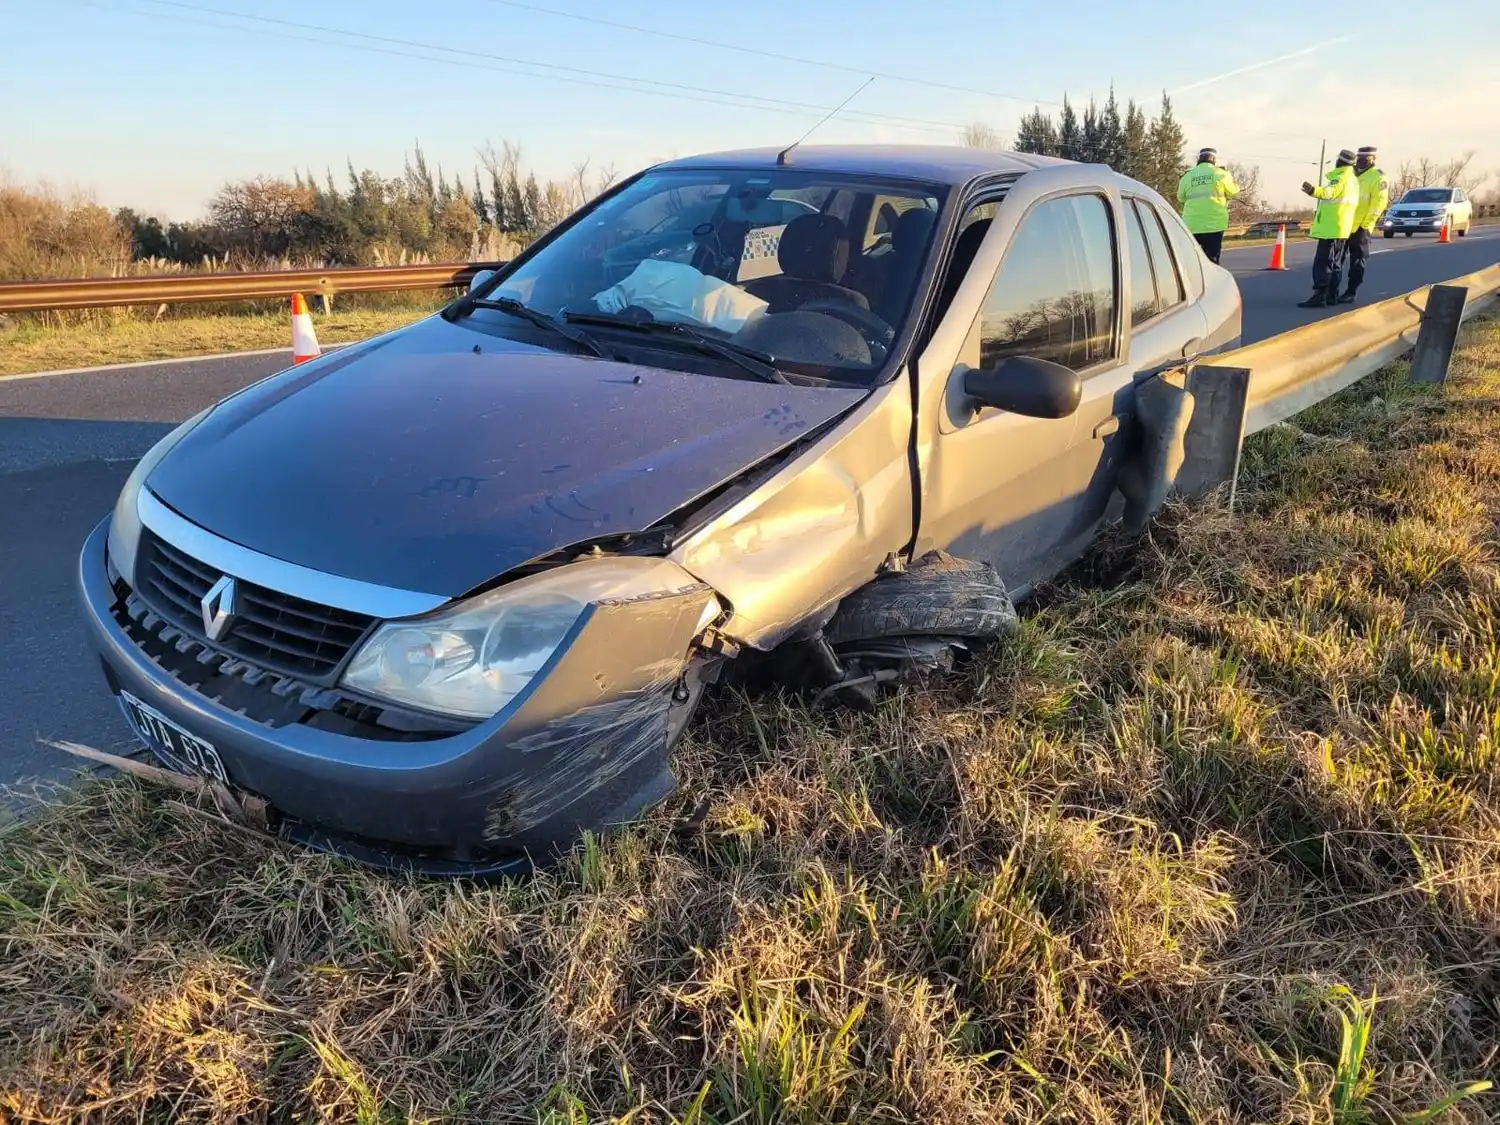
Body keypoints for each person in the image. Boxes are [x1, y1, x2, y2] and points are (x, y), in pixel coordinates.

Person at [1298, 149, 1361, 308]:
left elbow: (1328, 193)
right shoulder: (1354, 180)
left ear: (1340, 161)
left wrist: (1313, 191)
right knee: (1336, 262)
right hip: (1342, 228)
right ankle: (1333, 294)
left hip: (1331, 228)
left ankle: (1320, 295)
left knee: (1323, 262)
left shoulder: (1340, 178)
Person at [1338, 146, 1390, 304]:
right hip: (1343, 223)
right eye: (1358, 159)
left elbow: (1378, 204)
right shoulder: (1350, 174)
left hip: (1360, 226)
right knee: (1336, 260)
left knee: (1357, 260)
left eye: (1364, 160)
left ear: (1373, 160)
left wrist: (1366, 225)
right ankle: (1331, 291)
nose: (1360, 163)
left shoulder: (1378, 178)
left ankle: (1351, 291)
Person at [1177, 148, 1240, 263]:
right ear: (1214, 159)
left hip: (1191, 225)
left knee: (1191, 262)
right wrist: (1229, 176)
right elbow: (1234, 192)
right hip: (1214, 224)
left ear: (1199, 159)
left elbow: (1180, 197)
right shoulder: (1221, 174)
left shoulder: (1187, 176)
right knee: (1212, 262)